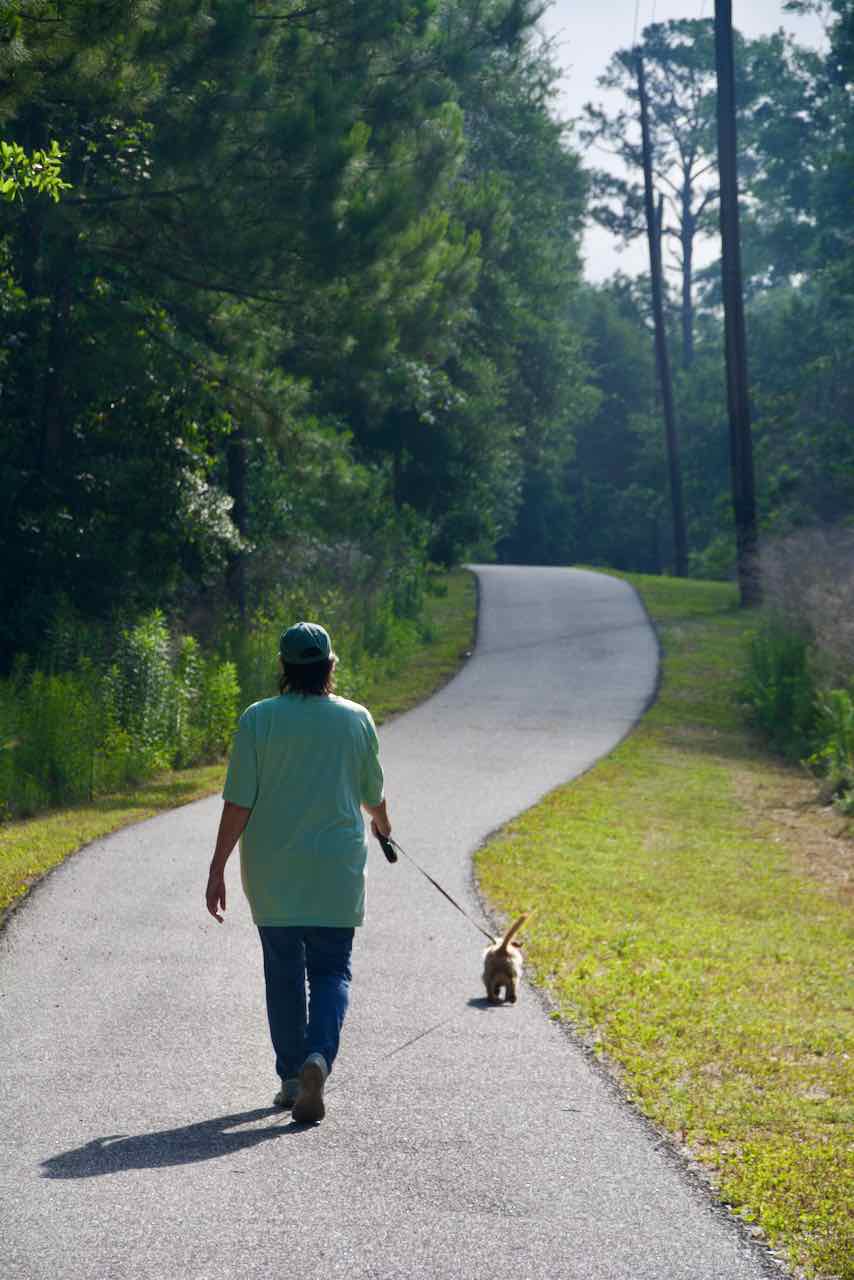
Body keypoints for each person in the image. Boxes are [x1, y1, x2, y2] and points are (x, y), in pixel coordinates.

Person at [205, 621, 391, 1124]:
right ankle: (318, 1059)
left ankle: (291, 1077)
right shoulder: (356, 719)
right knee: (331, 971)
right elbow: (371, 793)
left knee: (283, 972)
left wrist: (218, 865)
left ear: (285, 669)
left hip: (273, 873)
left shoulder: (258, 719)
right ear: (330, 667)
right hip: (336, 872)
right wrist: (384, 826)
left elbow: (239, 800)